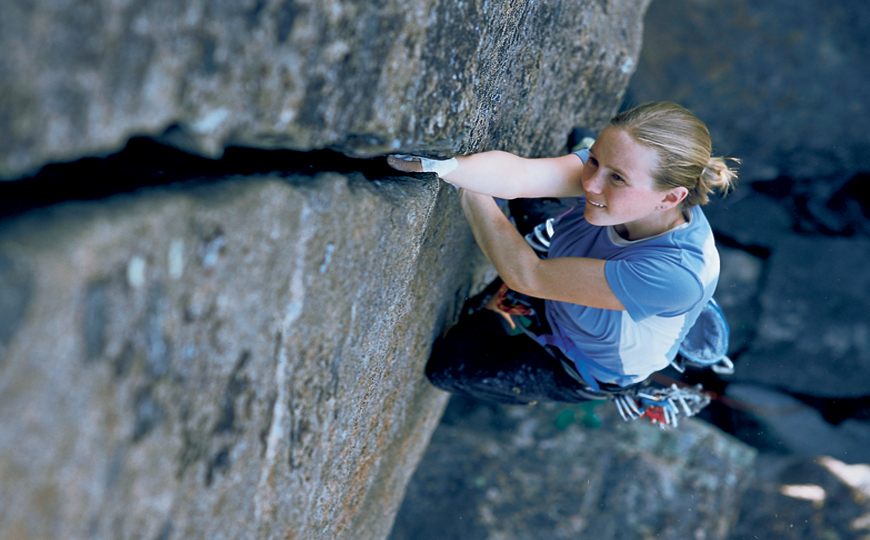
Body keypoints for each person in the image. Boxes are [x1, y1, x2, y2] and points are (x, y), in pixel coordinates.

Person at [387, 102, 738, 406]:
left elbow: (529, 277)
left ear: (670, 198)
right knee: (537, 196)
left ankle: (503, 316)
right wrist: (449, 166)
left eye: (617, 178)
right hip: (566, 273)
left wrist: (470, 190)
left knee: (451, 368)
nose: (591, 183)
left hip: (585, 358)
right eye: (594, 159)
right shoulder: (625, 170)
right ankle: (584, 159)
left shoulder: (676, 277)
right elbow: (520, 176)